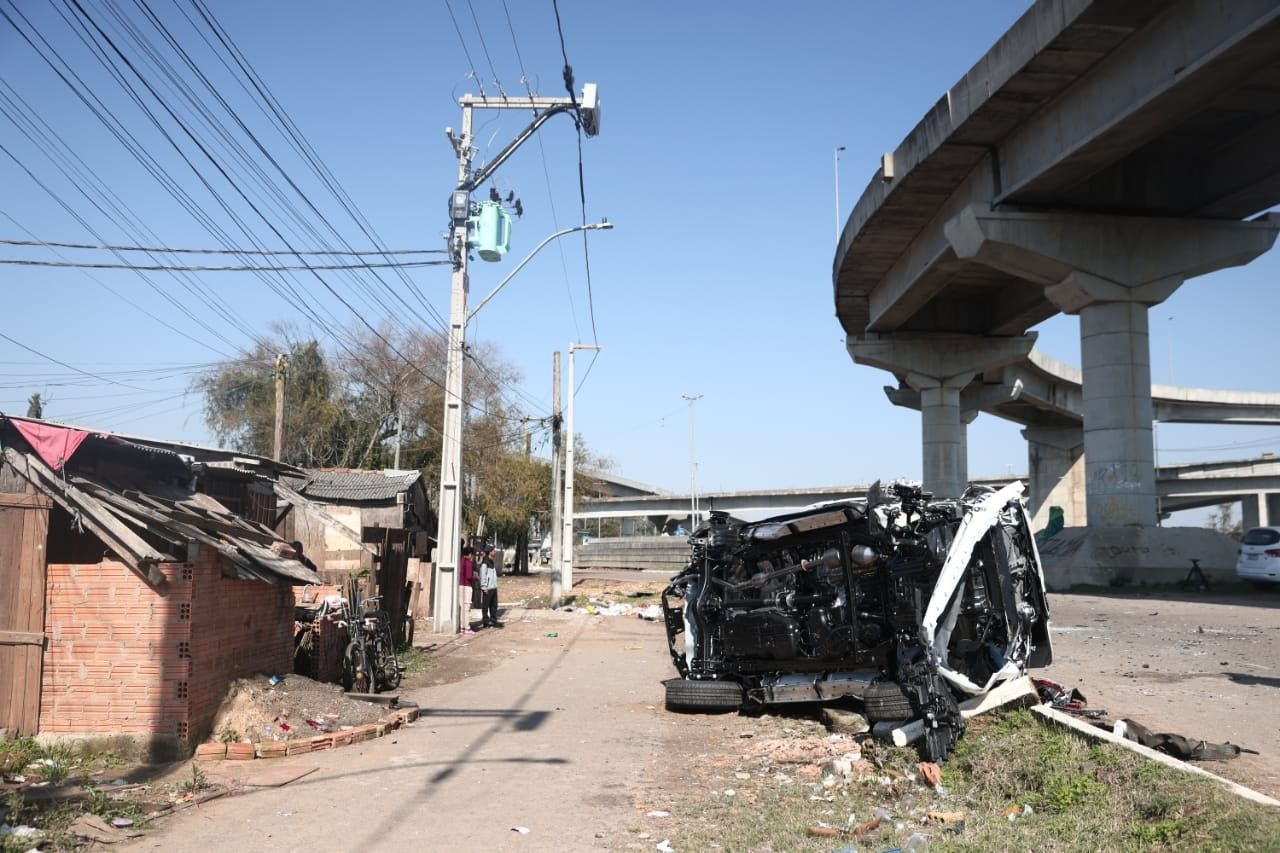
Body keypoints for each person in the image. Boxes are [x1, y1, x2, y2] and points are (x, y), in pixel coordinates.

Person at [479, 548, 502, 628]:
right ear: (489, 552)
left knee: (494, 605)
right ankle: (485, 622)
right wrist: (484, 586)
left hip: (493, 587)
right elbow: (483, 575)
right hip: (488, 588)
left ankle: (493, 620)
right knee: (485, 606)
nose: (494, 552)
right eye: (493, 551)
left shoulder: (492, 561)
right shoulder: (485, 562)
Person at [458, 546, 476, 634]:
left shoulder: (461, 561)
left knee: (461, 607)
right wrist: (476, 577)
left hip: (460, 586)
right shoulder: (469, 563)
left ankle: (462, 627)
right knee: (467, 607)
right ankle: (467, 627)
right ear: (469, 554)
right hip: (467, 586)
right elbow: (469, 576)